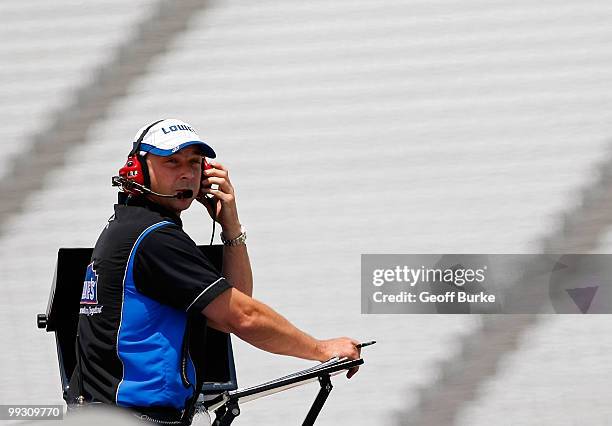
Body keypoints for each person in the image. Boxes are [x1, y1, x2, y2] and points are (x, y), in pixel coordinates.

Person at [70, 118, 361, 425]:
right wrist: (321, 349)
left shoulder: (131, 226)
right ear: (138, 170)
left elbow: (232, 306)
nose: (186, 173)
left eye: (194, 163)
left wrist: (231, 227)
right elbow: (243, 317)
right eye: (171, 162)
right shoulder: (155, 238)